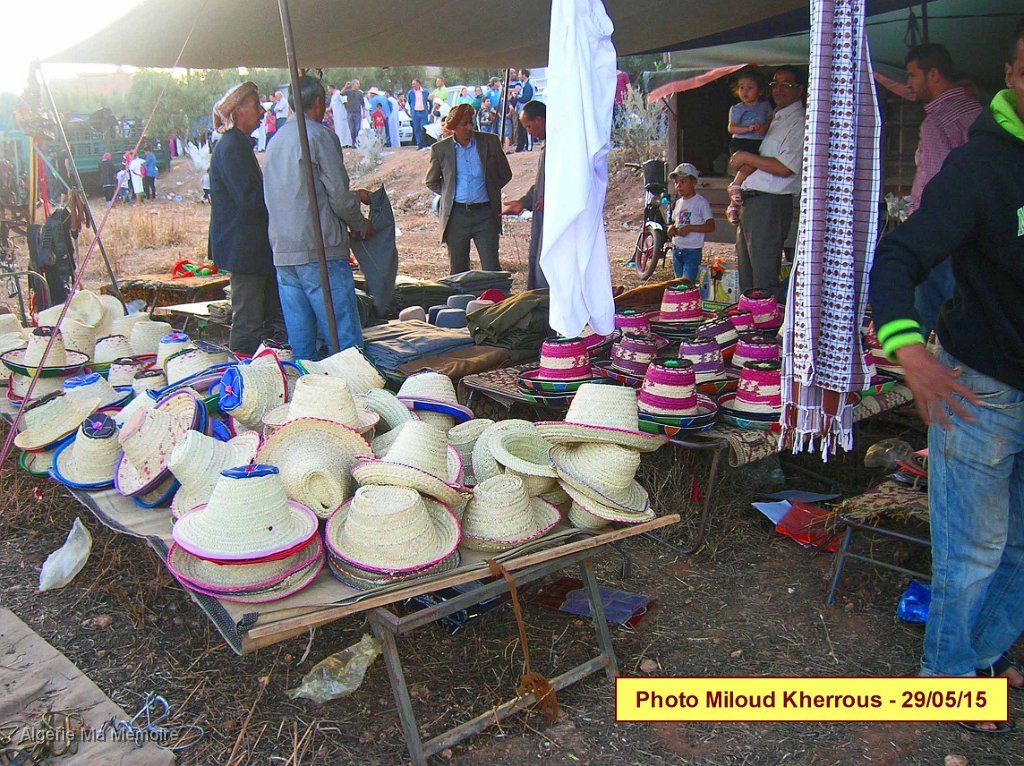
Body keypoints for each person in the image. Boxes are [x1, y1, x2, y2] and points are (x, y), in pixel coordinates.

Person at [868, 20, 1024, 734]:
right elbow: (897, 259)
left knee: (1019, 546)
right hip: (980, 390)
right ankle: (947, 682)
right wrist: (911, 352)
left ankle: (982, 656)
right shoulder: (981, 166)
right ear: (1011, 72)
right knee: (974, 549)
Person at [263, 75, 374, 360]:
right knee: (343, 342)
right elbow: (338, 196)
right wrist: (361, 224)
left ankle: (309, 396)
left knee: (302, 346)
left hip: (285, 251)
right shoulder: (318, 136)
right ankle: (353, 398)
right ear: (318, 103)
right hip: (319, 250)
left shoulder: (274, 143)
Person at [903, 43, 984, 339]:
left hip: (939, 229)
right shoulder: (977, 112)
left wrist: (916, 227)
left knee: (934, 312)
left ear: (933, 74)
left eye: (913, 75)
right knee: (964, 305)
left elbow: (933, 182)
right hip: (974, 228)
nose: (909, 84)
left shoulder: (937, 121)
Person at [209, 81, 283, 355]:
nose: (262, 111)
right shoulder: (232, 148)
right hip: (245, 248)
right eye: (255, 105)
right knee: (248, 320)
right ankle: (240, 375)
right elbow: (249, 200)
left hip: (249, 247)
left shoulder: (236, 145)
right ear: (239, 110)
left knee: (258, 316)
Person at [729, 65, 806, 301]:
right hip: (751, 202)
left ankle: (764, 331)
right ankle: (749, 329)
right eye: (775, 84)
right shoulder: (774, 117)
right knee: (748, 278)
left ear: (800, 90)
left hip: (770, 202)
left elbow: (785, 167)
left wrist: (745, 157)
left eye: (786, 84)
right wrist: (737, 188)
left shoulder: (799, 121)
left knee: (763, 279)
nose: (778, 89)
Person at [425, 103, 512, 274]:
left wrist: (490, 189)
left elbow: (505, 174)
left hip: (485, 214)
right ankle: (462, 301)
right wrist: (450, 194)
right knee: (458, 271)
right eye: (463, 124)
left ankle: (494, 300)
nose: (469, 128)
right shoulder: (440, 149)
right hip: (457, 217)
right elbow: (431, 181)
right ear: (453, 127)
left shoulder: (490, 142)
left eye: (470, 122)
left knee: (491, 268)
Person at [501, 100, 547, 289]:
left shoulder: (564, 144)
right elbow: (543, 183)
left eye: (528, 126)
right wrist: (524, 202)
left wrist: (554, 198)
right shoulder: (548, 145)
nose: (528, 131)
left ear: (540, 120)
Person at [725, 70, 773, 224]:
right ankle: (735, 185)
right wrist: (749, 129)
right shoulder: (738, 108)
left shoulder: (765, 106)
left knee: (752, 170)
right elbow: (732, 128)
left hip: (758, 141)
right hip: (742, 142)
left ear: (759, 91)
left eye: (750, 87)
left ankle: (733, 206)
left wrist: (763, 126)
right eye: (741, 87)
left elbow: (771, 119)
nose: (744, 91)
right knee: (749, 165)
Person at [666, 163, 715, 283]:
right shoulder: (678, 203)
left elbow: (711, 226)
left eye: (683, 182)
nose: (679, 186)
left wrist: (690, 228)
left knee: (686, 283)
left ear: (693, 182)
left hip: (692, 250)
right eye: (676, 182)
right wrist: (671, 229)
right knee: (678, 283)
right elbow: (675, 222)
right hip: (677, 249)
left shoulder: (700, 202)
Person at [407, 79, 431, 149]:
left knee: (424, 128)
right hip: (415, 113)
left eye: (414, 84)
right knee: (416, 128)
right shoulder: (410, 92)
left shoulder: (425, 92)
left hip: (423, 112)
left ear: (418, 84)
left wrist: (429, 110)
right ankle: (419, 144)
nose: (412, 85)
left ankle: (425, 143)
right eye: (412, 84)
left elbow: (429, 101)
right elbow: (409, 101)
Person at [342, 80, 365, 148]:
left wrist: (363, 113)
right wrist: (346, 86)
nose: (358, 85)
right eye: (357, 83)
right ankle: (353, 142)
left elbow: (362, 103)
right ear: (353, 84)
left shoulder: (360, 93)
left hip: (357, 112)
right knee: (351, 129)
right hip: (350, 112)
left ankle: (356, 142)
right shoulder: (349, 92)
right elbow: (341, 93)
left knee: (357, 128)